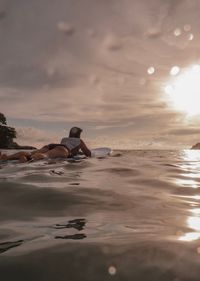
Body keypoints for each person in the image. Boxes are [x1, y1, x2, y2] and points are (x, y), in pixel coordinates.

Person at [0, 127, 91, 162]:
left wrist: (78, 153)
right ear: (78, 135)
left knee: (33, 152)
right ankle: (28, 159)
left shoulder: (64, 139)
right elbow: (88, 154)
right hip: (63, 150)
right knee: (46, 155)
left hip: (52, 145)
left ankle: (7, 157)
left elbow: (73, 150)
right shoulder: (80, 141)